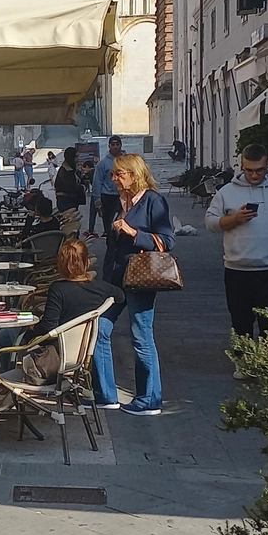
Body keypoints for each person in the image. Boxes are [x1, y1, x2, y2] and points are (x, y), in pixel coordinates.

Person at [206, 144, 268, 378]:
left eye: (259, 170)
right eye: (249, 170)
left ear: (267, 165)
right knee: (240, 320)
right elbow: (211, 222)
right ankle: (244, 363)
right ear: (242, 166)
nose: (254, 175)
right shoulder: (227, 192)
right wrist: (234, 219)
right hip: (237, 269)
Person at [102, 153, 174, 416]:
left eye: (119, 174)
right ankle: (105, 395)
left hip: (140, 278)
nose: (114, 179)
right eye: (113, 174)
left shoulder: (154, 201)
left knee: (141, 336)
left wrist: (134, 233)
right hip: (115, 278)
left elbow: (168, 241)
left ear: (134, 174)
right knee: (99, 329)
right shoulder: (118, 202)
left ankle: (149, 399)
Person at [35, 239, 125, 408]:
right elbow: (120, 296)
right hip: (83, 351)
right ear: (87, 262)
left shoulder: (58, 289)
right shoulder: (101, 288)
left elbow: (48, 326)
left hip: (60, 350)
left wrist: (32, 329)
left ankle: (6, 383)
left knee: (10, 336)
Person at [93, 136, 124, 238]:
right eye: (113, 145)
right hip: (108, 196)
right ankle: (110, 245)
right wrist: (97, 198)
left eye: (117, 144)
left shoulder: (126, 162)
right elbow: (98, 181)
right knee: (109, 225)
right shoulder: (103, 164)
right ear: (109, 146)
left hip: (123, 196)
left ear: (120, 145)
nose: (115, 147)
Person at [54, 146, 86, 214]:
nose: (78, 159)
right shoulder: (64, 171)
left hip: (73, 201)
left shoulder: (74, 168)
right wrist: (83, 187)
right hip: (66, 202)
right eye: (76, 156)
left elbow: (80, 180)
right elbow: (71, 187)